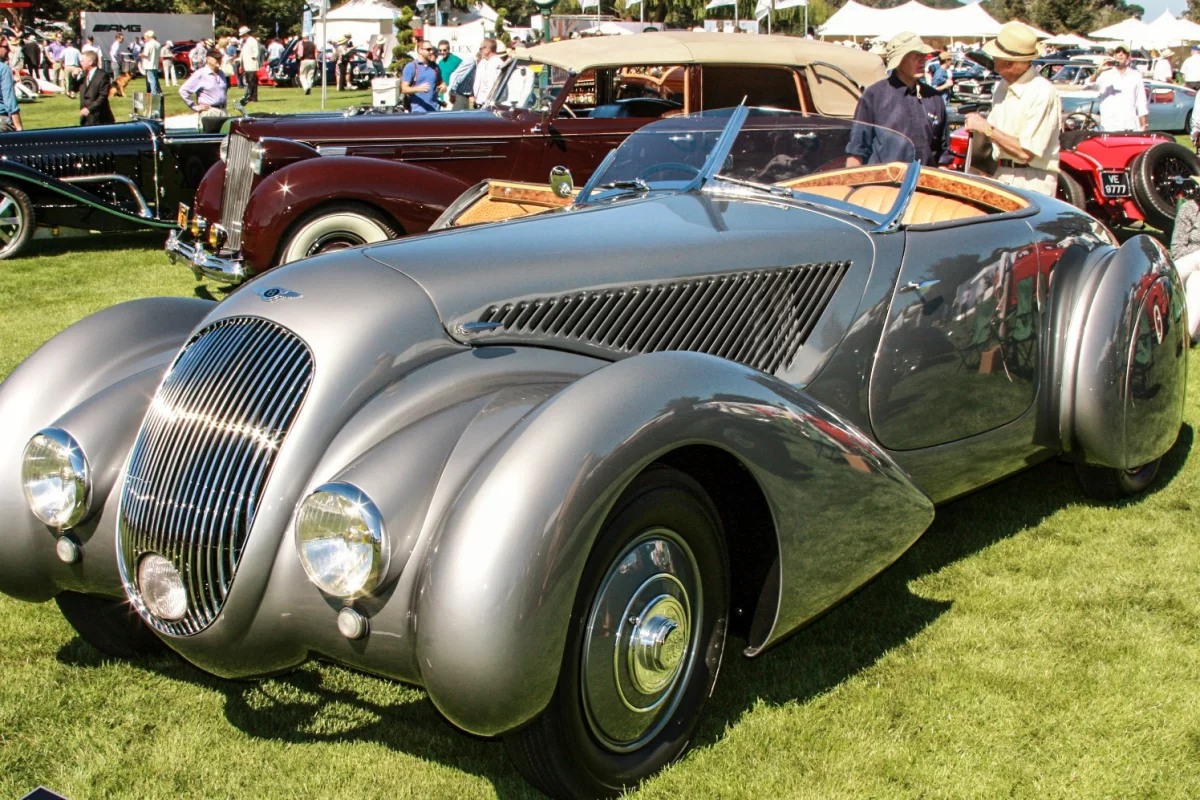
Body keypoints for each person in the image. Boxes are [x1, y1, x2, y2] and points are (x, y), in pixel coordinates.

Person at [962, 22, 1060, 196]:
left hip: (1032, 181)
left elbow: (1025, 152)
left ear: (1009, 64)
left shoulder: (1042, 92)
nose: (992, 59)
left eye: (996, 56)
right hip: (1001, 174)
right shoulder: (1002, 87)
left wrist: (985, 128)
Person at [846, 32, 948, 167]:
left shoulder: (934, 98)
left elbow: (943, 155)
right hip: (884, 178)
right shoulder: (874, 95)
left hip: (925, 178)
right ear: (899, 62)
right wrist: (851, 180)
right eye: (914, 56)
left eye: (923, 55)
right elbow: (857, 150)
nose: (922, 60)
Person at [1085, 44, 1147, 132]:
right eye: (1118, 52)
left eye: (1124, 53)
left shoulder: (1135, 76)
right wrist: (1097, 71)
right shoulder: (1105, 75)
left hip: (1129, 125)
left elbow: (1141, 102)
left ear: (1128, 57)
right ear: (1114, 56)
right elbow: (1088, 86)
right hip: (1109, 126)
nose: (1121, 54)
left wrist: (1144, 124)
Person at [1169, 177, 1200, 345]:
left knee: (1195, 279)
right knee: (1196, 278)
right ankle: (1189, 335)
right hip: (1189, 264)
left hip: (1193, 267)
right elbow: (1177, 250)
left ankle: (1187, 335)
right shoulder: (1189, 209)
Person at [179, 50, 228, 129]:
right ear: (208, 59)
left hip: (223, 111)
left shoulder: (221, 73)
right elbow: (183, 90)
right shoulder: (201, 74)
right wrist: (195, 107)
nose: (219, 60)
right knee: (209, 136)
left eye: (220, 58)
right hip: (209, 112)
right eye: (216, 58)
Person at [401, 39, 444, 113]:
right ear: (420, 50)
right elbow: (404, 89)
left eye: (432, 49)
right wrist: (418, 89)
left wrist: (443, 86)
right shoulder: (411, 67)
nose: (431, 52)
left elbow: (440, 82)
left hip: (434, 110)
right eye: (428, 49)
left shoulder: (435, 67)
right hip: (417, 111)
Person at [77, 51, 114, 126]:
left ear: (90, 62)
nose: (80, 63)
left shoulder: (102, 76)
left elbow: (103, 96)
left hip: (99, 117)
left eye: (82, 61)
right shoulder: (83, 75)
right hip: (85, 118)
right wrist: (73, 76)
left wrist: (89, 109)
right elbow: (73, 88)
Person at [0, 38, 24, 132]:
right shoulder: (4, 69)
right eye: (6, 47)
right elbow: (9, 100)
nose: (9, 50)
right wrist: (18, 127)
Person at [472, 38, 502, 108]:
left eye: (481, 49)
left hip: (486, 104)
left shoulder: (494, 64)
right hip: (482, 102)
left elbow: (492, 86)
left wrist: (487, 104)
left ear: (488, 49)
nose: (480, 51)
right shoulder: (488, 62)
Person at [239, 26, 260, 103]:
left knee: (252, 81)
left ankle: (253, 97)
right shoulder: (244, 42)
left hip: (251, 64)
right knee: (248, 81)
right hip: (246, 64)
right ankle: (250, 96)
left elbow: (256, 51)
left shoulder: (252, 40)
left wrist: (254, 57)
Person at [436, 40, 461, 107]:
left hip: (451, 96)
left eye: (444, 50)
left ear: (449, 49)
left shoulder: (456, 60)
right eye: (440, 50)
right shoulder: (440, 62)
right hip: (442, 96)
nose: (442, 52)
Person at [141, 31, 162, 95]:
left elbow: (146, 54)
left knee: (151, 80)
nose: (145, 38)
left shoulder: (148, 44)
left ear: (148, 36)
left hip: (149, 64)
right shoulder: (158, 44)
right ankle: (157, 92)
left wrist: (141, 55)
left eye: (145, 37)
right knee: (155, 78)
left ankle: (154, 93)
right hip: (155, 64)